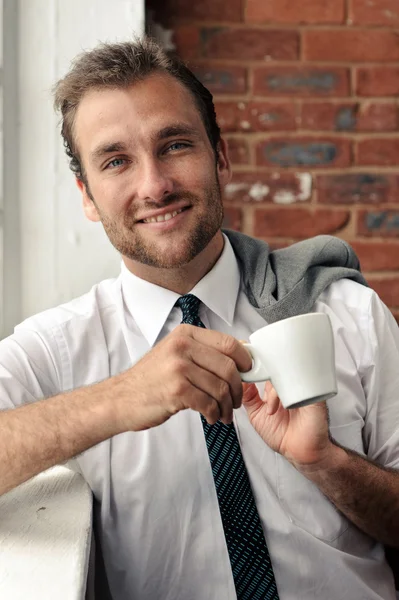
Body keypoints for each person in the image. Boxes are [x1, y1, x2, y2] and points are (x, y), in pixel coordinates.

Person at [0, 36, 398, 600]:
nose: (154, 185)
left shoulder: (344, 312)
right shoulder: (58, 348)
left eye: (175, 145)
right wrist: (118, 398)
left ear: (221, 156)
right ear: (87, 196)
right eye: (116, 161)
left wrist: (327, 463)